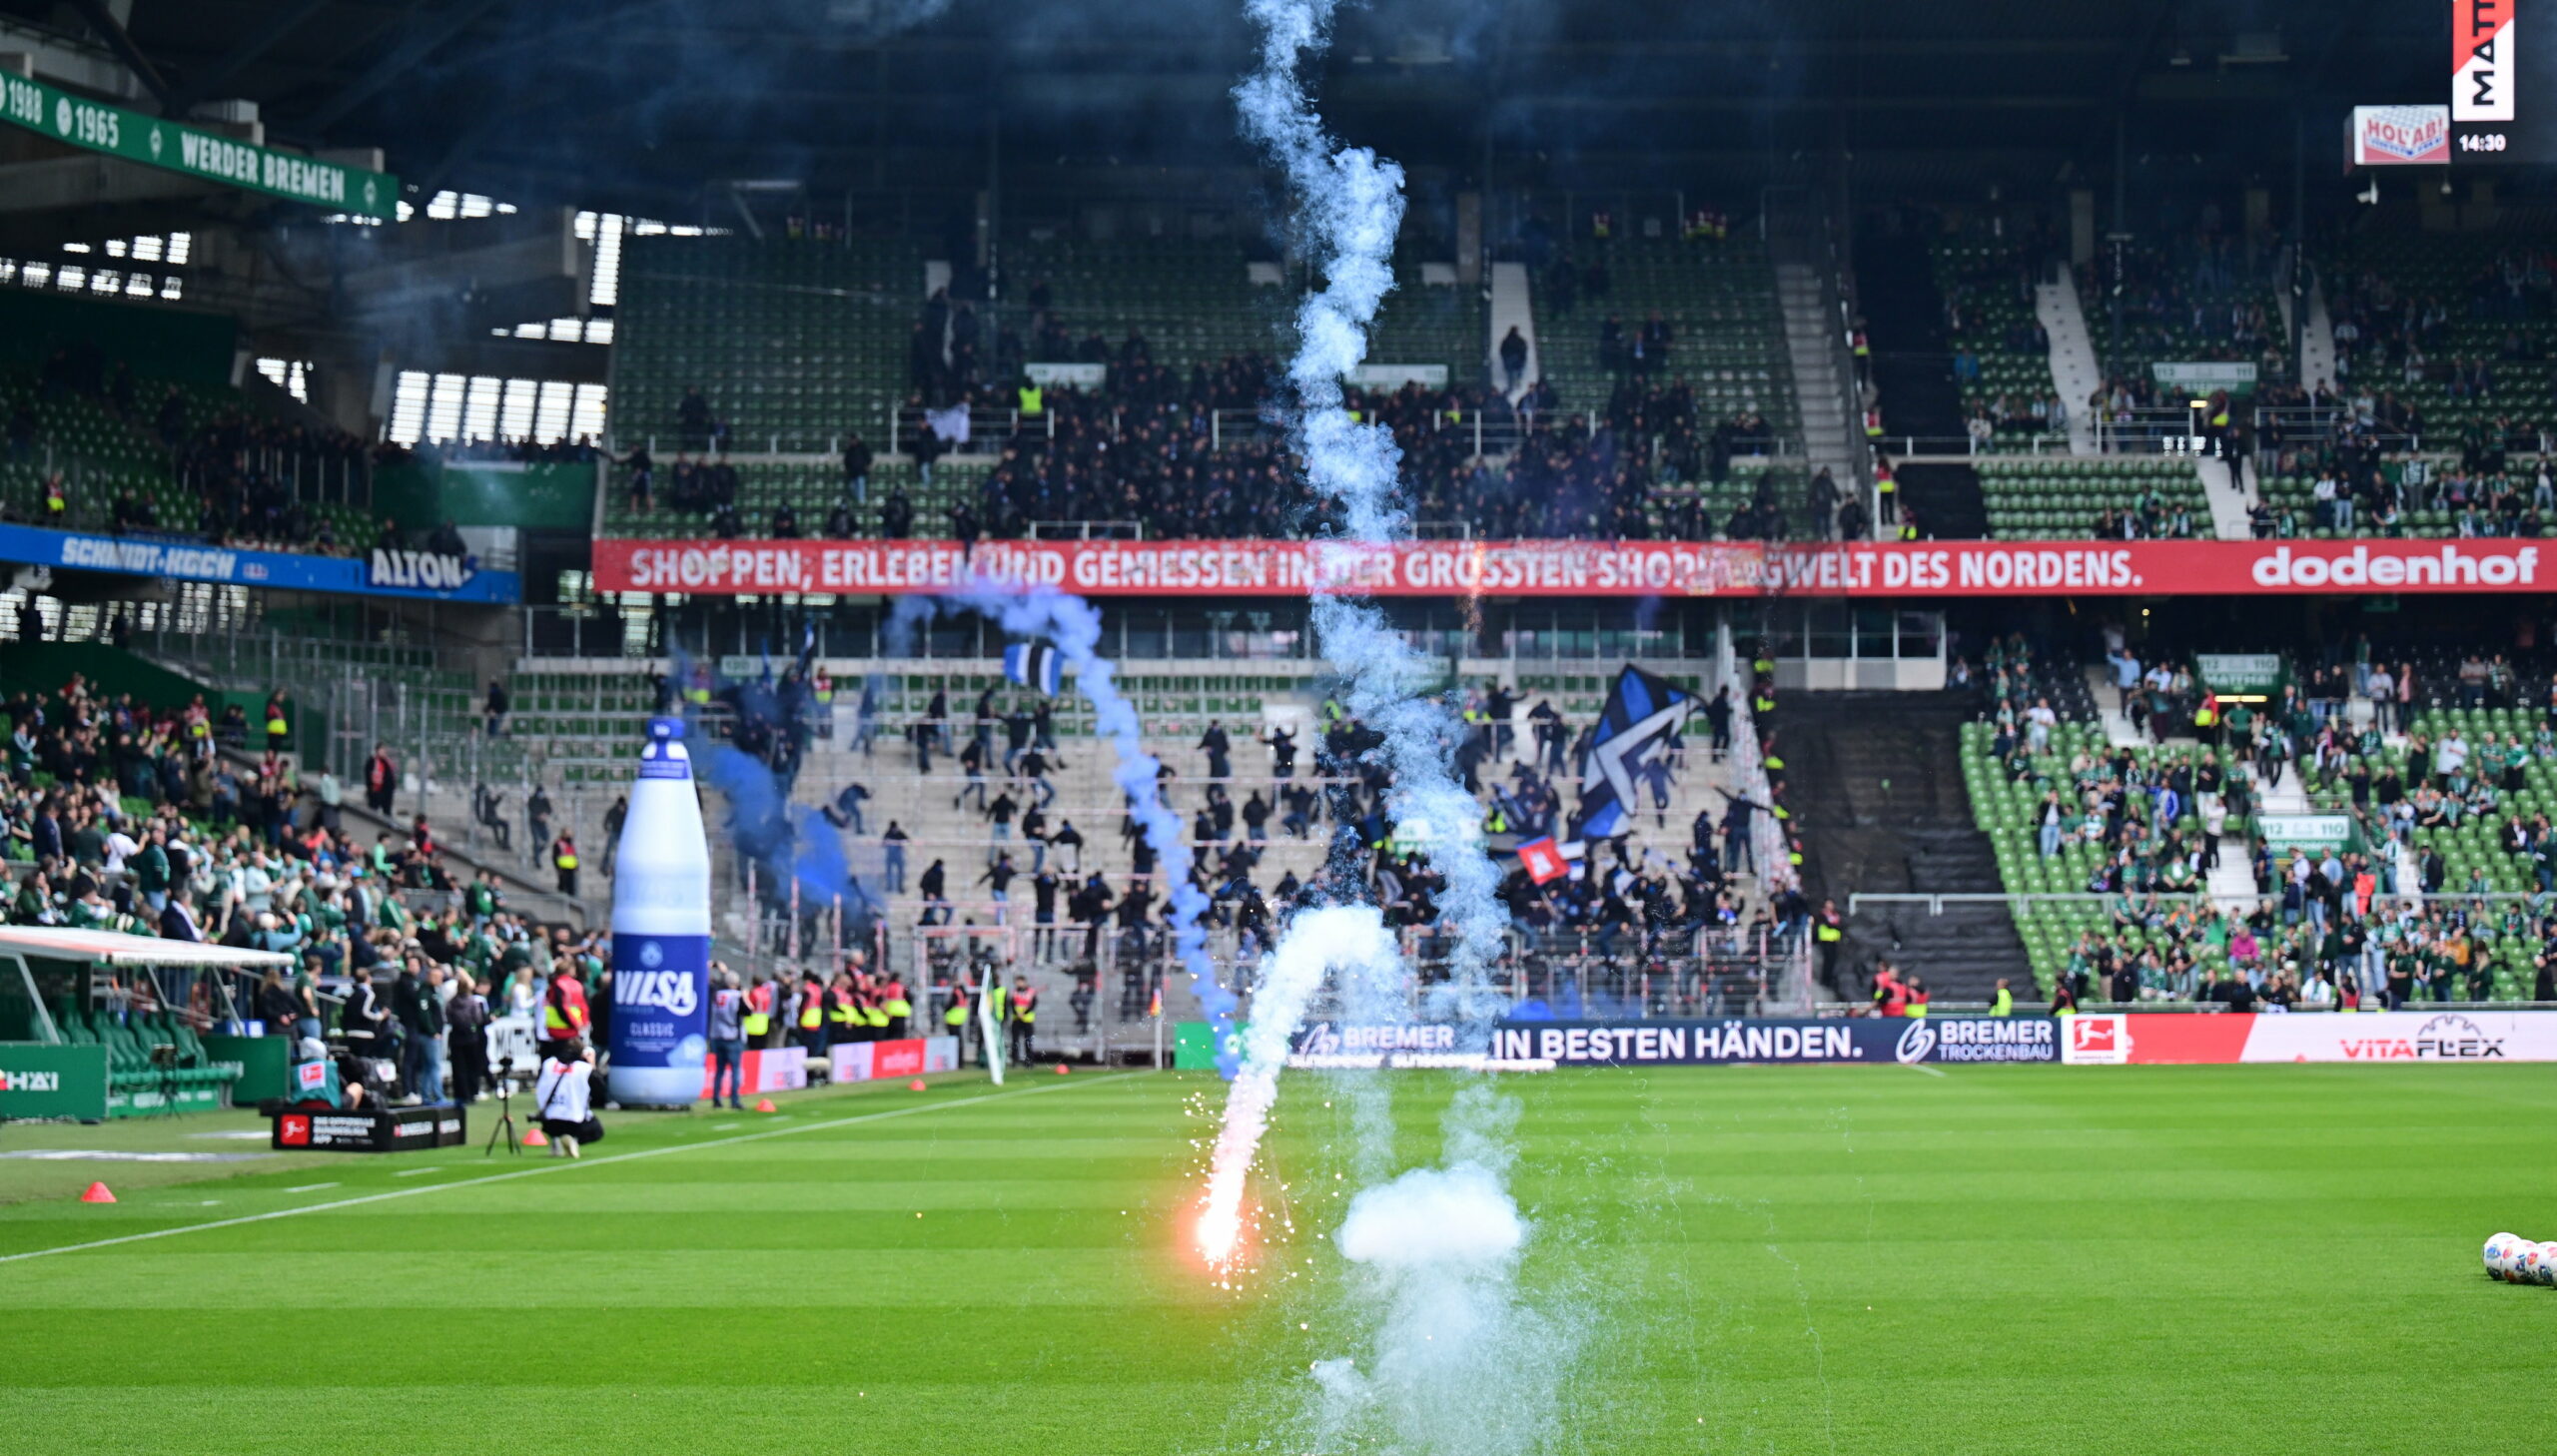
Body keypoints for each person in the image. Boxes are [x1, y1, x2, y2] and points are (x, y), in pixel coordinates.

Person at [532, 1039, 603, 1157]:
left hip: (549, 1118)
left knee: (555, 1122)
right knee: (597, 1131)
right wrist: (592, 1065)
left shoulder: (549, 1064)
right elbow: (600, 1090)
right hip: (573, 1119)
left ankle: (556, 1141)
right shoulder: (584, 1068)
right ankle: (572, 1140)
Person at [447, 971, 491, 1102]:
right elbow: (478, 1018)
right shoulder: (472, 1002)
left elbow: (448, 1017)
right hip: (470, 1036)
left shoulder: (451, 1003)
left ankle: (461, 1094)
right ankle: (472, 1091)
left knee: (458, 1067)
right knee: (472, 1066)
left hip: (456, 1036)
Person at [706, 969, 746, 1110]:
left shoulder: (717, 994)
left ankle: (716, 1098)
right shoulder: (737, 996)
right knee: (735, 1070)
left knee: (720, 1070)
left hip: (717, 1034)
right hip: (732, 1035)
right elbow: (747, 1011)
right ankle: (734, 1100)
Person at [541, 958, 590, 1060]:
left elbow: (562, 1007)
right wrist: (582, 1024)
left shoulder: (556, 985)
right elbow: (584, 1007)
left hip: (557, 1029)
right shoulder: (578, 985)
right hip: (575, 1030)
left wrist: (574, 1024)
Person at [1008, 974, 1039, 1065]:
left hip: (1027, 1020)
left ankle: (1029, 1061)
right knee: (1015, 1041)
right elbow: (1012, 1004)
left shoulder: (1031, 992)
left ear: (1024, 982)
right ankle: (1014, 1060)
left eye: (1019, 982)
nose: (1018, 984)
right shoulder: (1015, 992)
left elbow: (1033, 1004)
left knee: (1028, 1041)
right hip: (1016, 1019)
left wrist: (1024, 1013)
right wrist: (1017, 1013)